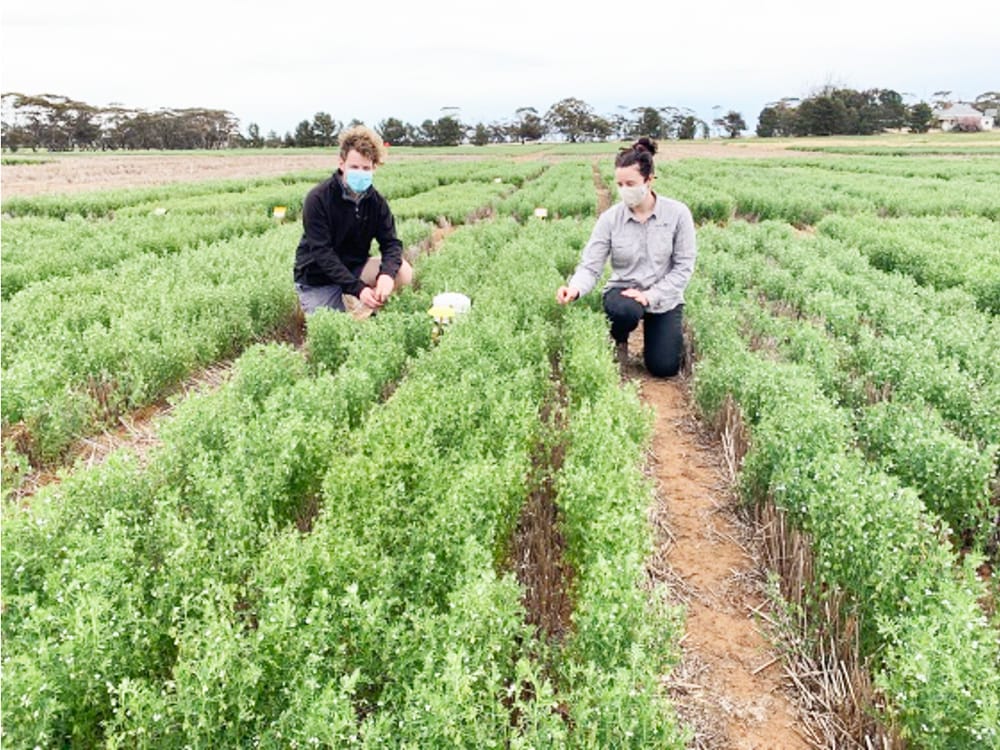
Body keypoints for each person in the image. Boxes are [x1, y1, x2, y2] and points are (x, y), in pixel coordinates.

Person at [556, 137, 696, 377]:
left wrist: (649, 296)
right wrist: (575, 289)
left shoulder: (677, 214)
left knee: (664, 367)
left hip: (663, 298)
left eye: (630, 183)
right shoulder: (610, 219)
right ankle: (619, 338)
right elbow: (591, 266)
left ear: (649, 180)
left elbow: (683, 267)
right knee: (625, 311)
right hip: (624, 295)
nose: (624, 190)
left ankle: (660, 338)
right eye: (619, 184)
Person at [294, 125, 413, 314]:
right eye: (354, 167)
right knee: (332, 331)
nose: (361, 172)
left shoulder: (376, 202)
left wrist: (386, 275)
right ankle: (354, 302)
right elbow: (322, 252)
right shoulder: (318, 198)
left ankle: (367, 310)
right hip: (319, 277)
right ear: (342, 164)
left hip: (354, 267)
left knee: (402, 271)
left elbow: (391, 243)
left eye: (366, 168)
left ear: (374, 167)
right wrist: (359, 289)